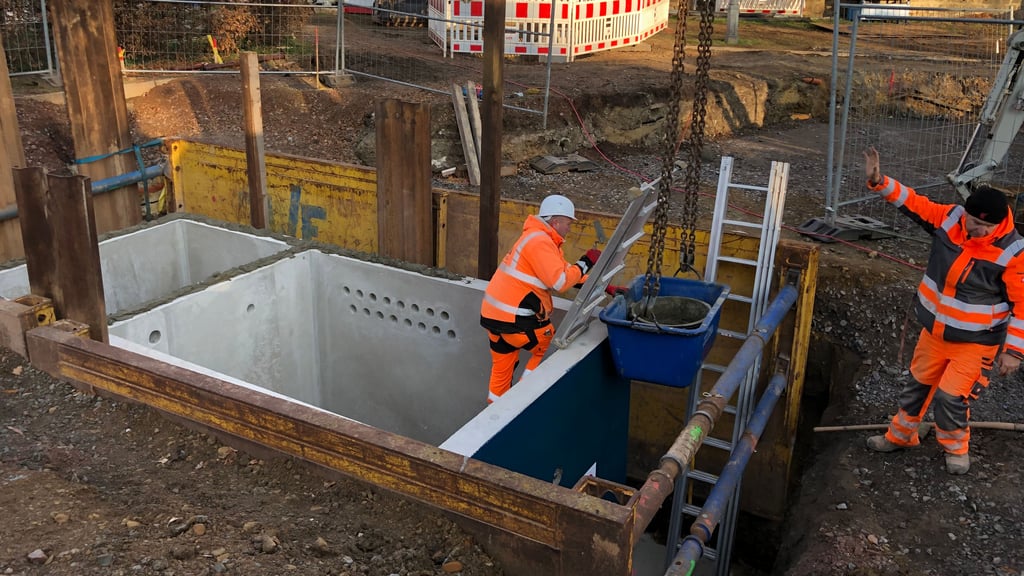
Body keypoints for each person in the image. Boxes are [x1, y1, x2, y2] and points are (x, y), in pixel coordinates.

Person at [862, 147, 1024, 475]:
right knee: (917, 387)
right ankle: (901, 435)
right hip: (934, 332)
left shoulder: (1013, 253)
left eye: (979, 225)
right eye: (969, 219)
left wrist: (1015, 353)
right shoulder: (952, 219)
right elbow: (914, 203)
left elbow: (1022, 305)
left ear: (995, 225)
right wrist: (880, 183)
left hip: (976, 342)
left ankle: (955, 448)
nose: (970, 228)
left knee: (951, 398)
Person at [480, 194, 601, 404]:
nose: (569, 228)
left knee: (502, 370)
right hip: (516, 320)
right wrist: (586, 262)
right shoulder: (540, 242)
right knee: (549, 347)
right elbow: (561, 281)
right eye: (568, 223)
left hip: (494, 317)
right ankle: (527, 398)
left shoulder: (536, 238)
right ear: (555, 222)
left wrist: (603, 284)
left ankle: (494, 413)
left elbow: (562, 272)